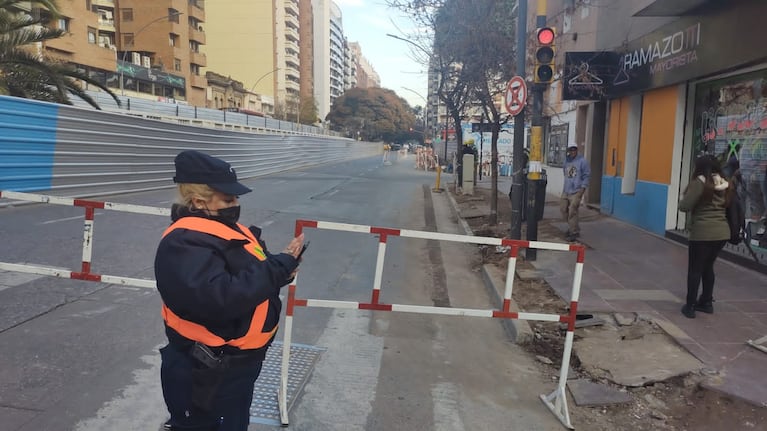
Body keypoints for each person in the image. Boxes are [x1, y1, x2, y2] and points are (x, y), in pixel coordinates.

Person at [154, 150, 304, 430]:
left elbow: (248, 277)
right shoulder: (184, 244)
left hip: (235, 370)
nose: (235, 204)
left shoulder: (228, 230)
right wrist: (277, 268)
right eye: (228, 199)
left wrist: (282, 268)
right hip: (205, 372)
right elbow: (219, 299)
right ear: (199, 201)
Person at [678, 154, 732, 319]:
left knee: (695, 269)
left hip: (702, 233)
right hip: (722, 232)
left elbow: (684, 206)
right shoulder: (725, 182)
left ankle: (690, 306)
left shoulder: (699, 183)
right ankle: (706, 302)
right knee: (708, 267)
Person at [560, 142, 590, 241]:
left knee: (573, 210)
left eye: (574, 149)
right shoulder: (566, 160)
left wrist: (582, 189)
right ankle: (573, 227)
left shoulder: (582, 161)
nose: (572, 151)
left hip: (577, 190)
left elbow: (586, 175)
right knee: (563, 209)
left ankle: (574, 232)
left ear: (577, 150)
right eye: (570, 150)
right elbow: (564, 171)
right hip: (566, 190)